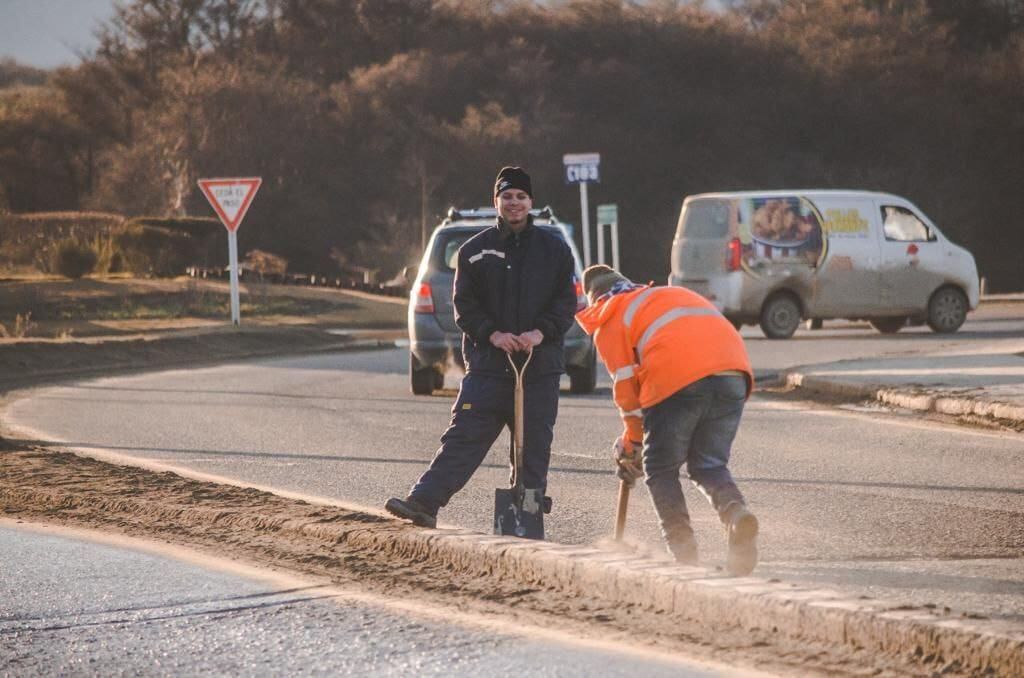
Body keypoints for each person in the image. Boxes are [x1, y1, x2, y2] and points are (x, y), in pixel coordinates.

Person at [386, 166, 577, 536]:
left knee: (532, 450)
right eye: (507, 196)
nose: (514, 203)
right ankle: (424, 503)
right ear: (497, 202)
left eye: (521, 196)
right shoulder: (474, 251)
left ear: (531, 202)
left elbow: (566, 303)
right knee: (464, 436)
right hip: (490, 366)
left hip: (538, 368)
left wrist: (540, 333)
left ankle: (525, 522)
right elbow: (464, 307)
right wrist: (494, 335)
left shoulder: (554, 250)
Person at [575, 264, 760, 575]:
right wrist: (633, 438)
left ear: (595, 300)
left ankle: (684, 557)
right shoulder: (661, 295)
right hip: (734, 373)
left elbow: (627, 393)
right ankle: (736, 515)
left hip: (678, 377)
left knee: (660, 468)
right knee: (708, 465)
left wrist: (632, 444)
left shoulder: (609, 316)